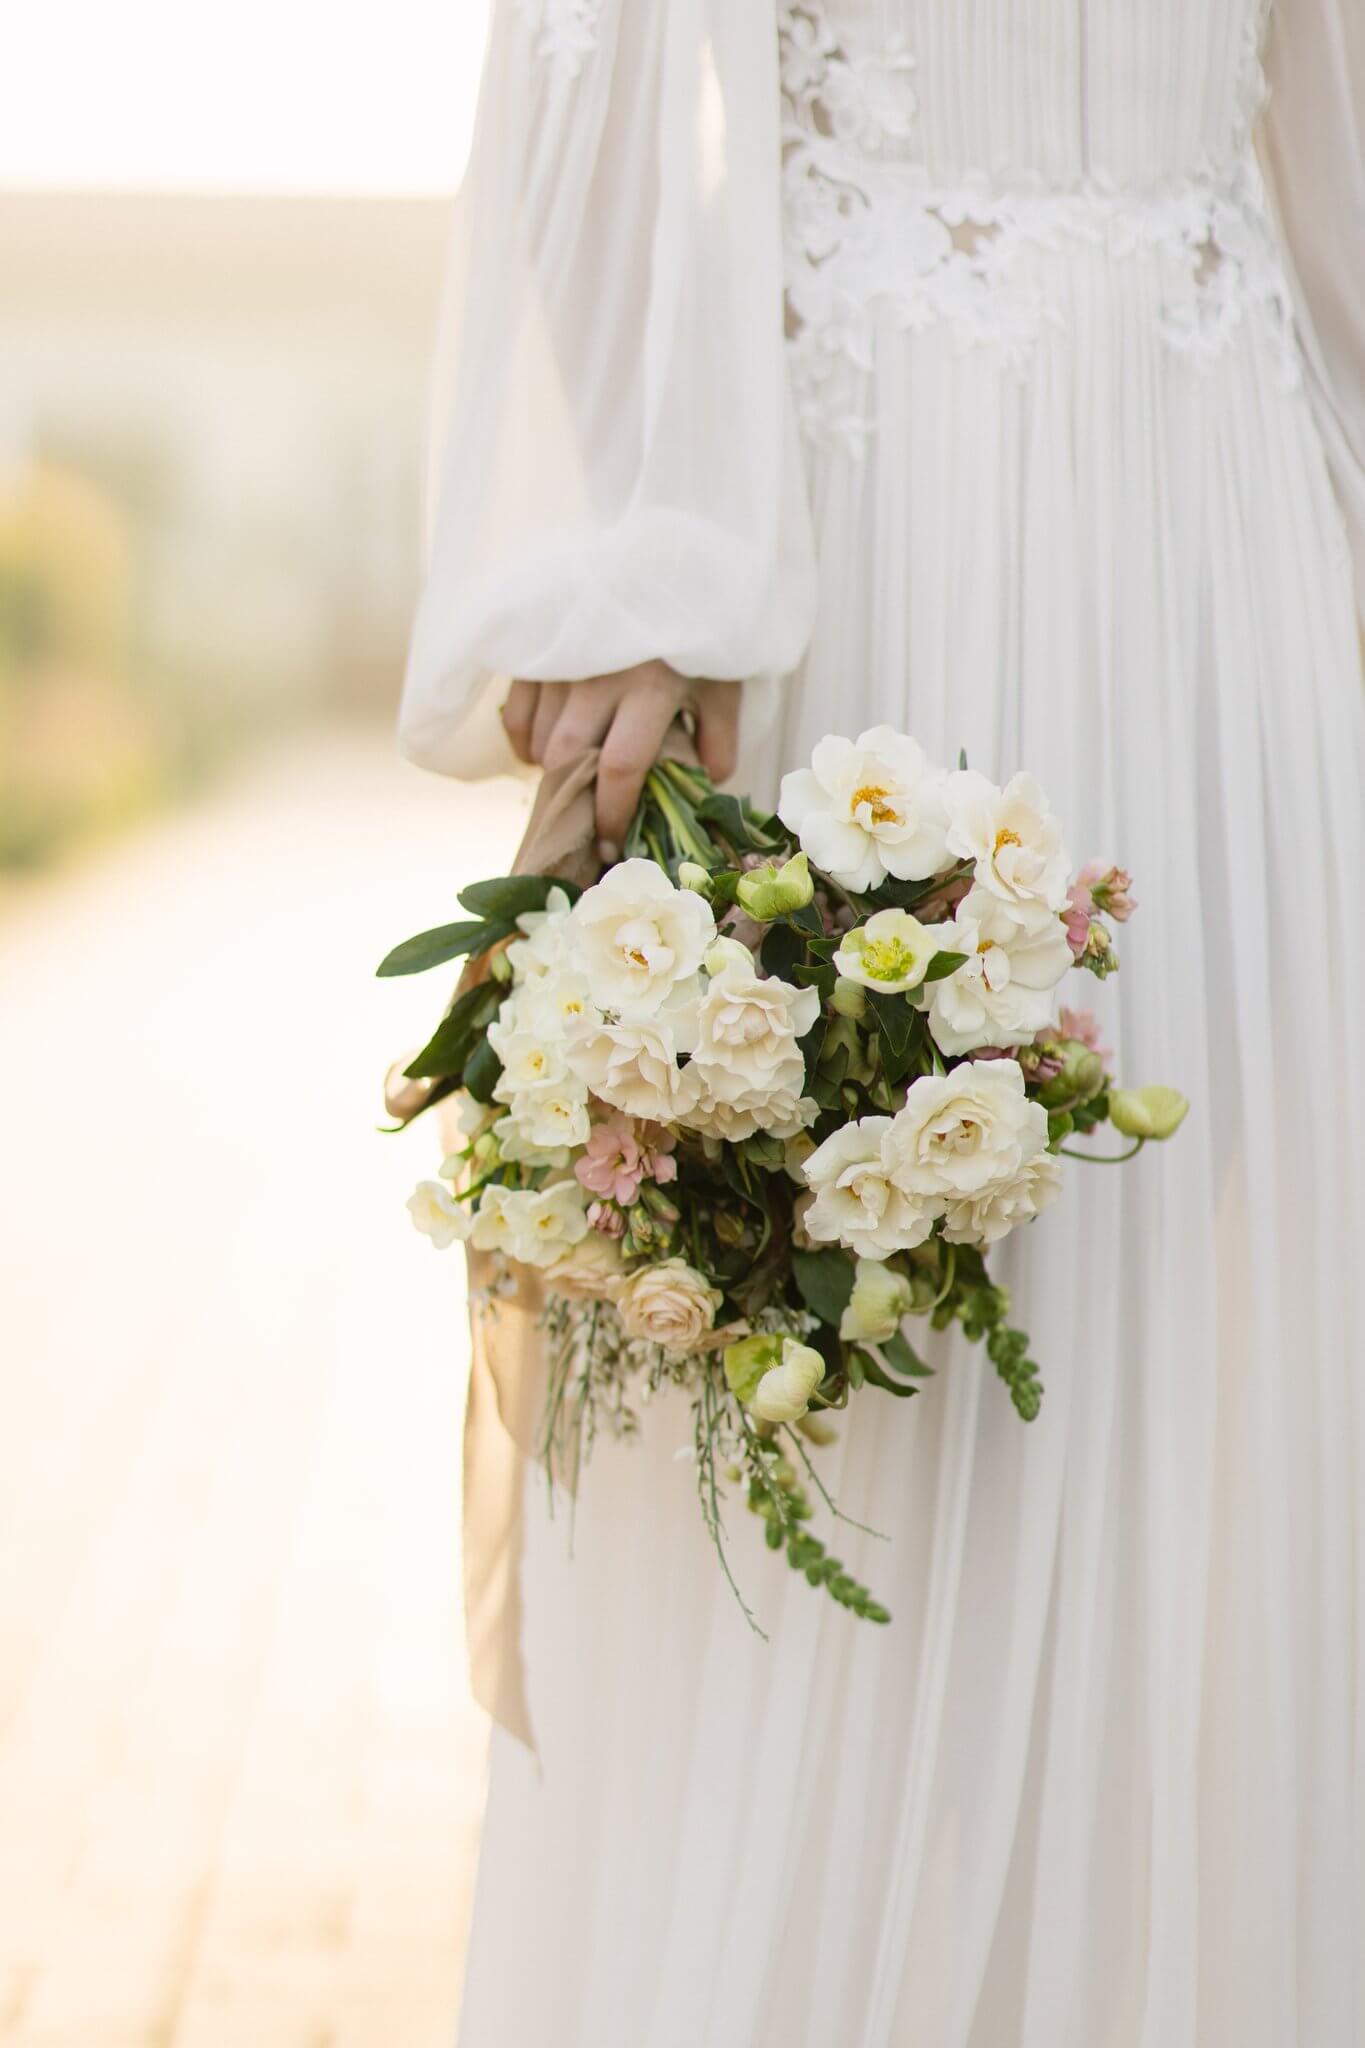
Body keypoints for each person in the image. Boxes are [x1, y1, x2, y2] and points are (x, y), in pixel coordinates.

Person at [399, 5, 1365, 2042]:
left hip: (1231, 550)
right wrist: (633, 571)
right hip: (871, 522)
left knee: (1225, 1362)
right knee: (842, 1345)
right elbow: (603, 59)